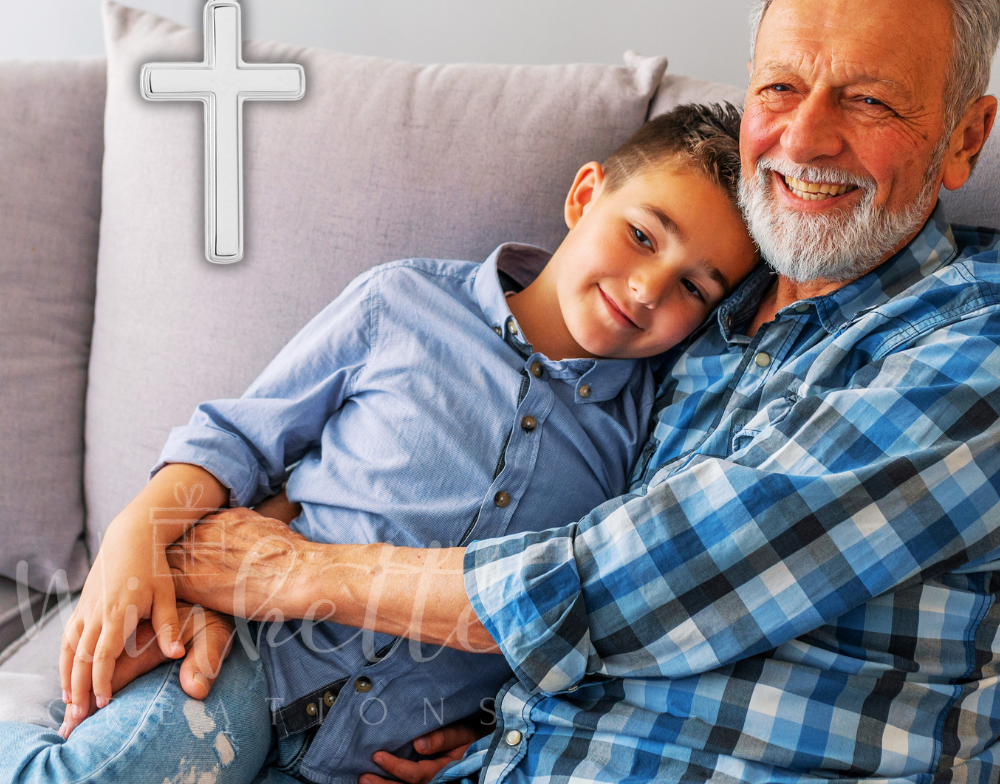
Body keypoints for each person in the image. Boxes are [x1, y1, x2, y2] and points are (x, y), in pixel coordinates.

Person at [101, 0, 1000, 784]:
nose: (805, 138)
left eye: (871, 100)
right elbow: (311, 456)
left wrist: (293, 576)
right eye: (779, 87)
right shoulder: (702, 332)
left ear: (965, 138)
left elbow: (657, 577)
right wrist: (483, 731)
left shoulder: (967, 345)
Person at [0, 104, 759, 783]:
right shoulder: (400, 304)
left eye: (697, 287)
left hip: (379, 756)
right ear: (585, 195)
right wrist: (136, 533)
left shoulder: (643, 438)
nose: (648, 289)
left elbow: (574, 606)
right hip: (245, 667)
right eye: (641, 235)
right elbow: (240, 438)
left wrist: (490, 728)